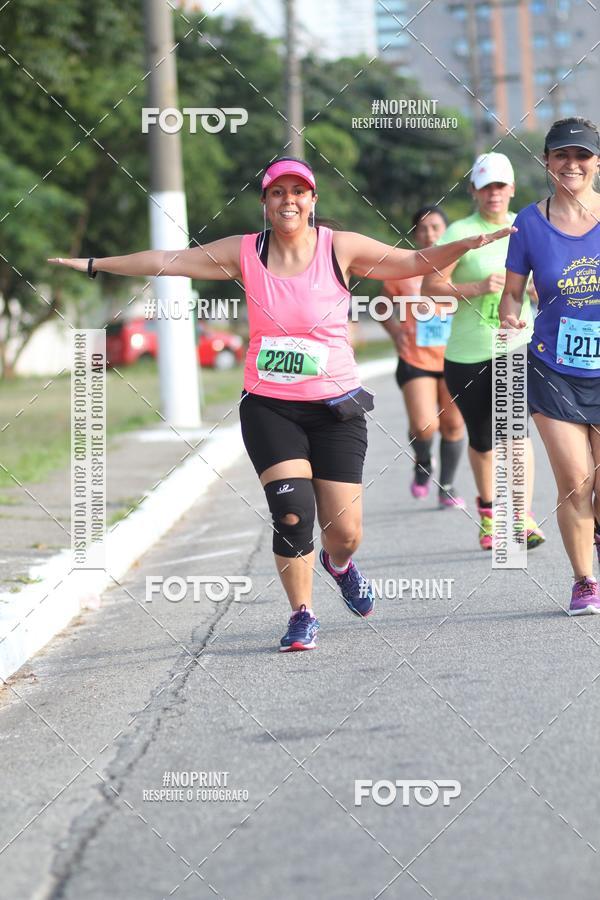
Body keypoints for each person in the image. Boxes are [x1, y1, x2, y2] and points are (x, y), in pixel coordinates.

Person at [50, 156, 515, 650]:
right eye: (278, 192)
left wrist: (465, 244)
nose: (288, 200)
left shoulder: (342, 247)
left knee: (346, 533)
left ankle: (339, 565)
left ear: (313, 201)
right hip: (270, 404)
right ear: (265, 203)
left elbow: (411, 263)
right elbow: (168, 260)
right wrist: (96, 265)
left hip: (336, 408)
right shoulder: (245, 251)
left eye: (298, 192)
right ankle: (302, 613)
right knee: (293, 513)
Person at [500, 118, 600, 614]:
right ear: (547, 162)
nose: (572, 164)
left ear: (597, 163)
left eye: (582, 156)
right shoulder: (528, 223)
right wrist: (510, 318)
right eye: (562, 155)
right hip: (553, 368)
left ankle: (593, 533)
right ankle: (585, 580)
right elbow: (511, 295)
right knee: (575, 480)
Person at [422, 153, 545, 551]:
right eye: (486, 186)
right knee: (482, 439)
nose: (494, 194)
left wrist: (532, 290)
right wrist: (477, 288)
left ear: (512, 189)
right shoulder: (460, 231)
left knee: (514, 430)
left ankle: (521, 516)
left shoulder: (528, 227)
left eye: (501, 186)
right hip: (467, 350)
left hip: (513, 342)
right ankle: (490, 515)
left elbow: (550, 284)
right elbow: (431, 287)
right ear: (474, 190)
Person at [378, 206, 466, 508]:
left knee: (453, 425)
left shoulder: (460, 262)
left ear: (447, 230)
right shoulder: (404, 266)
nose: (430, 233)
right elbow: (381, 307)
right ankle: (423, 460)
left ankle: (448, 487)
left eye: (436, 227)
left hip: (456, 356)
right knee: (426, 425)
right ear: (415, 234)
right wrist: (395, 331)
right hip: (415, 358)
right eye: (423, 228)